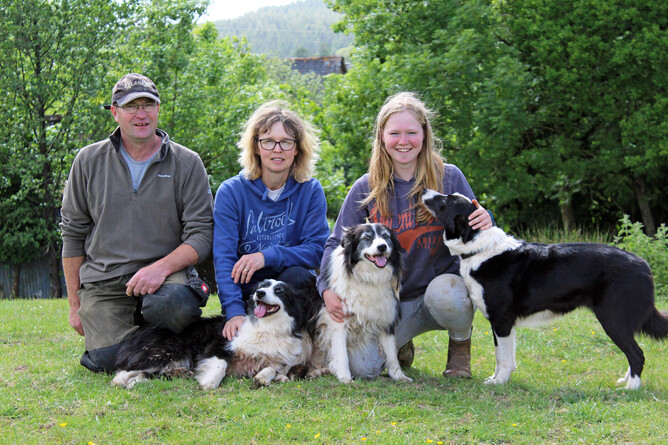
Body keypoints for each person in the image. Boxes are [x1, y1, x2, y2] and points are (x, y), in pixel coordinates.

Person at [317, 92, 493, 379]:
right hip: (387, 301)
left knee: (449, 294)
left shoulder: (449, 177)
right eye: (394, 133)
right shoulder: (365, 188)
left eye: (412, 132)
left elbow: (477, 232)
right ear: (382, 137)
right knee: (364, 369)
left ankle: (460, 346)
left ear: (424, 134)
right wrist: (325, 289)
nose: (403, 141)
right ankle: (401, 343)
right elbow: (336, 243)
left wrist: (487, 220)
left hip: (438, 291)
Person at [61, 73, 214, 373]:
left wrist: (159, 269)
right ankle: (167, 346)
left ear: (159, 109)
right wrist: (74, 306)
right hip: (105, 282)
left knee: (174, 306)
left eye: (149, 105)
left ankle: (160, 338)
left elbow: (201, 235)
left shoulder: (187, 162)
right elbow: (72, 235)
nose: (141, 114)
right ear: (115, 112)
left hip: (166, 279)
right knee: (107, 359)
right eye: (131, 106)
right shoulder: (88, 161)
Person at [213, 100, 330, 341]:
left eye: (286, 142)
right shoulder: (231, 192)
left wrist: (267, 256)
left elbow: (318, 250)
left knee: (300, 275)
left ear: (297, 149)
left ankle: (305, 340)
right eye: (268, 141)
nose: (277, 149)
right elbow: (224, 258)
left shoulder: (310, 190)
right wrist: (234, 312)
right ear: (256, 147)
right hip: (249, 292)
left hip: (288, 293)